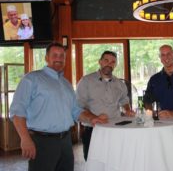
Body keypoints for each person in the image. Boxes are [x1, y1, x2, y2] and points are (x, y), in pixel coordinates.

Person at [10, 42, 108, 171]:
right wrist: (25, 139)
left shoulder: (66, 83)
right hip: (42, 142)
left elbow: (75, 110)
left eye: (62, 56)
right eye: (55, 55)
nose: (59, 58)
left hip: (65, 142)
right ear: (46, 58)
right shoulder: (31, 79)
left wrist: (92, 118)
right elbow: (17, 111)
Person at [76, 50, 134, 161]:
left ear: (115, 65)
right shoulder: (86, 81)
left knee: (115, 161)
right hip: (93, 130)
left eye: (113, 62)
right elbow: (79, 105)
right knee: (94, 163)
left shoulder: (119, 84)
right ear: (100, 62)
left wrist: (127, 110)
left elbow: (124, 100)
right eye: (106, 60)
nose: (109, 64)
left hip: (115, 129)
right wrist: (94, 117)